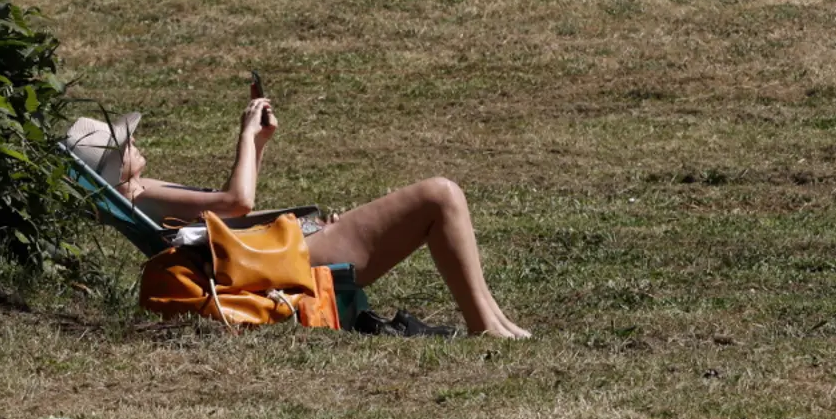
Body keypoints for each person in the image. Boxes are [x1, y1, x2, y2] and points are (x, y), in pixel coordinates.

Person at [63, 99, 530, 339]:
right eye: (121, 147)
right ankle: (484, 323)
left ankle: (494, 321)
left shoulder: (138, 197)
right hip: (291, 260)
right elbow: (237, 203)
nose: (134, 146)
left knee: (441, 197)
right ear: (110, 171)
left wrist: (300, 215)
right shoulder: (141, 194)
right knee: (440, 195)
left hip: (284, 248)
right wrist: (247, 135)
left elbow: (229, 228)